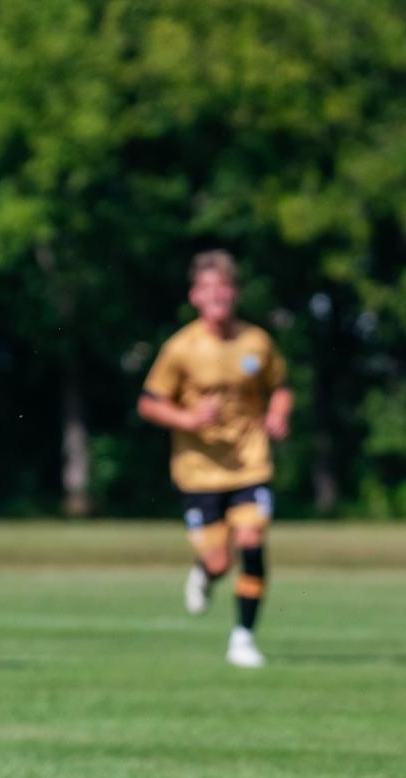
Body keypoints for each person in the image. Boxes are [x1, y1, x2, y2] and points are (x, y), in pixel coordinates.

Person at [137, 251, 292, 669]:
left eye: (224, 286)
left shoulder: (256, 342)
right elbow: (149, 404)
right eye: (208, 288)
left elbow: (281, 386)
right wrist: (188, 418)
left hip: (249, 463)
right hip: (198, 471)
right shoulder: (181, 348)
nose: (217, 295)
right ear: (195, 296)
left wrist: (278, 414)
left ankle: (243, 638)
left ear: (235, 292)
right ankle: (205, 572)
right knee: (219, 560)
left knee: (251, 541)